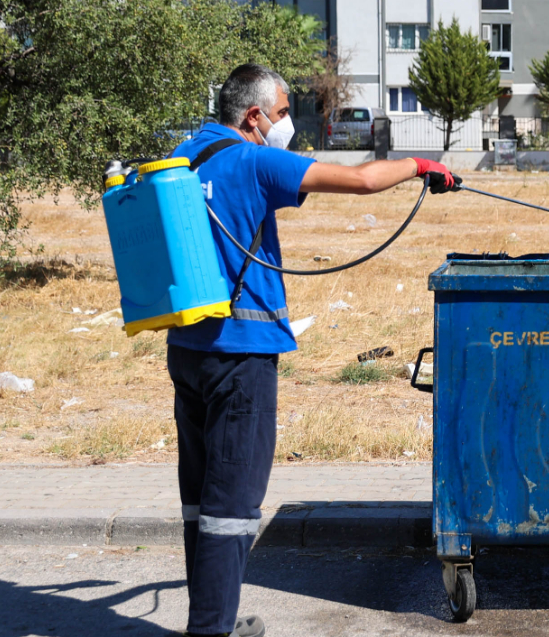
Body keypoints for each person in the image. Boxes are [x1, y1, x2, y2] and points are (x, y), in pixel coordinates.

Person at [164, 64, 457, 637]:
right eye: (280, 113)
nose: (286, 125)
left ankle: (213, 617)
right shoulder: (254, 159)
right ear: (253, 116)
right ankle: (211, 632)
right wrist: (423, 166)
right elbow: (365, 180)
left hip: (186, 348)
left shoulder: (187, 152)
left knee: (200, 502)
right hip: (241, 356)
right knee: (233, 507)